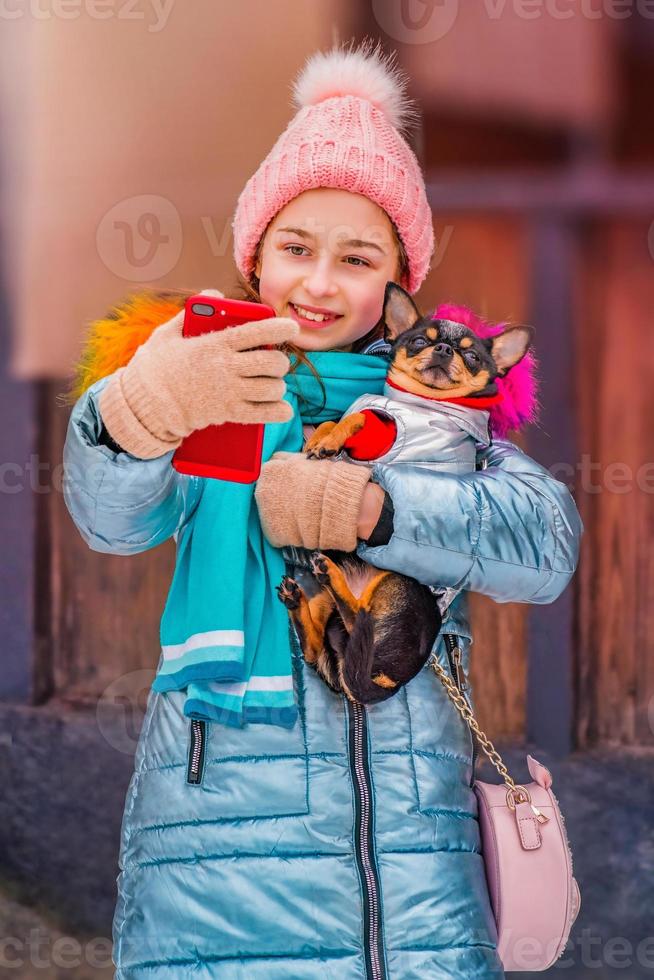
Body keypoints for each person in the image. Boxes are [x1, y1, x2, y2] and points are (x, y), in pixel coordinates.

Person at [62, 40, 583, 980]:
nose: (318, 282)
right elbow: (111, 517)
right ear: (255, 257)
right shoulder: (197, 384)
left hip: (421, 877)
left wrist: (375, 505)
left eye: (356, 257)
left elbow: (541, 545)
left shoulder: (437, 420)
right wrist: (139, 407)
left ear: (396, 287)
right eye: (295, 248)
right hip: (215, 860)